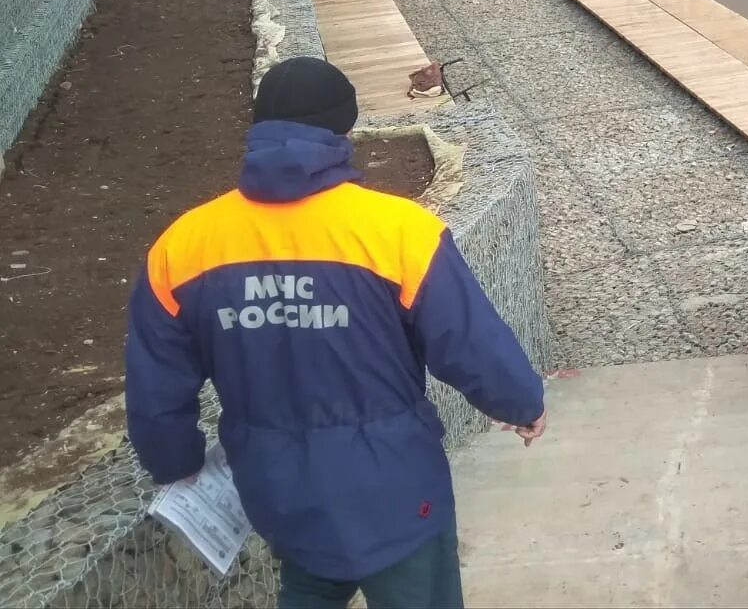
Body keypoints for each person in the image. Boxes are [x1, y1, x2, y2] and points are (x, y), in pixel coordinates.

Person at [125, 57, 546, 609]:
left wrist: (174, 462)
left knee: (308, 582)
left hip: (279, 490)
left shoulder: (183, 246)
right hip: (395, 487)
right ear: (344, 129)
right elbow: (468, 341)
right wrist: (521, 403)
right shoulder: (398, 231)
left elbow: (156, 386)